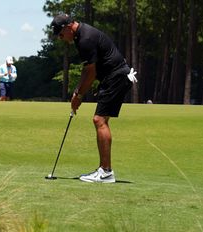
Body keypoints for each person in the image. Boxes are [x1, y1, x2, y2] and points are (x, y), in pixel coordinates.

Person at [50, 14, 137, 183]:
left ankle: (106, 172)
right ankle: (105, 171)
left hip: (117, 77)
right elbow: (87, 70)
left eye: (60, 35)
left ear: (68, 27)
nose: (61, 39)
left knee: (99, 120)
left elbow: (91, 73)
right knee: (100, 120)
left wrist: (79, 95)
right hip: (114, 77)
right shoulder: (80, 36)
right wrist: (77, 92)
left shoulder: (85, 39)